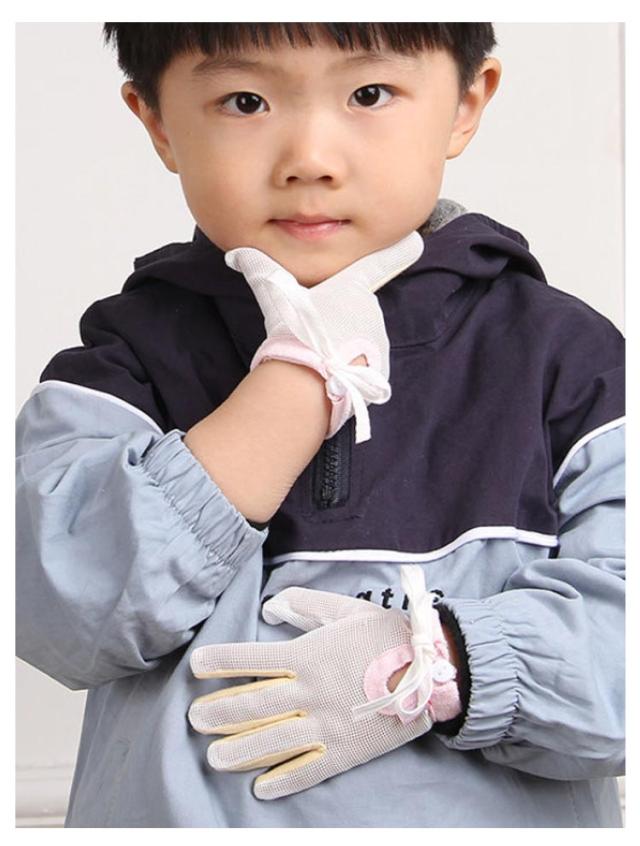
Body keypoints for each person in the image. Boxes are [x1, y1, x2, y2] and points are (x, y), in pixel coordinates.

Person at [15, 23, 625, 827]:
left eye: (369, 94)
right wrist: (298, 379)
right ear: (158, 122)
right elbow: (61, 617)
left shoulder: (566, 358)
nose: (309, 159)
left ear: (466, 104)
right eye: (245, 101)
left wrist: (441, 662)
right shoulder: (122, 361)